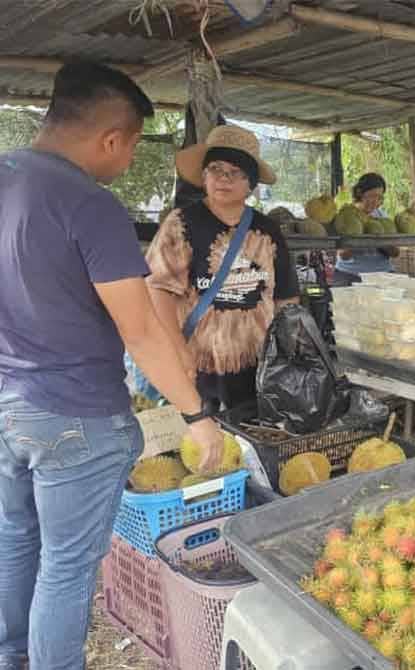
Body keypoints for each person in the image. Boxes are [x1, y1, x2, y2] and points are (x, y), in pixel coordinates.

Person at [0, 60, 224, 670]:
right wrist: (196, 416)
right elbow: (142, 330)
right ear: (111, 139)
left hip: (9, 400)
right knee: (67, 569)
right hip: (76, 414)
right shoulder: (88, 204)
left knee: (17, 542)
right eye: (129, 151)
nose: (126, 166)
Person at [146, 125, 300, 411]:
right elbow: (158, 290)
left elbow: (287, 299)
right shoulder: (180, 224)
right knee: (201, 448)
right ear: (204, 175)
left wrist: (287, 353)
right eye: (215, 168)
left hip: (257, 369)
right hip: (196, 364)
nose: (223, 178)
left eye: (236, 172)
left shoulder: (267, 231)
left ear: (251, 184)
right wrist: (177, 349)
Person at [332, 172, 401, 286]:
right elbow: (344, 255)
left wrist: (381, 241)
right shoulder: (346, 216)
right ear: (360, 192)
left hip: (382, 274)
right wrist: (357, 240)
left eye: (379, 197)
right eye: (372, 196)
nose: (376, 201)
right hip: (350, 275)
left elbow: (395, 253)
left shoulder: (382, 217)